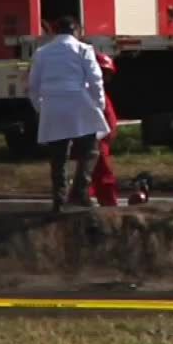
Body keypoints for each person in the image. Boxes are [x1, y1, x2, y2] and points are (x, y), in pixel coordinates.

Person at [27, 16, 110, 212]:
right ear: (77, 31)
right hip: (78, 101)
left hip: (52, 105)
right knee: (90, 149)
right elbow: (96, 80)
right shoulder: (83, 50)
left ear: (55, 32)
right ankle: (81, 192)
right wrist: (99, 106)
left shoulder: (42, 52)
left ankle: (59, 198)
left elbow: (32, 85)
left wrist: (41, 108)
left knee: (58, 155)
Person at [91, 53, 120, 207]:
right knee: (103, 175)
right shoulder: (93, 92)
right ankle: (109, 205)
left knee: (93, 174)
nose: (106, 78)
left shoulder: (99, 92)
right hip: (97, 140)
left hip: (101, 139)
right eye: (105, 73)